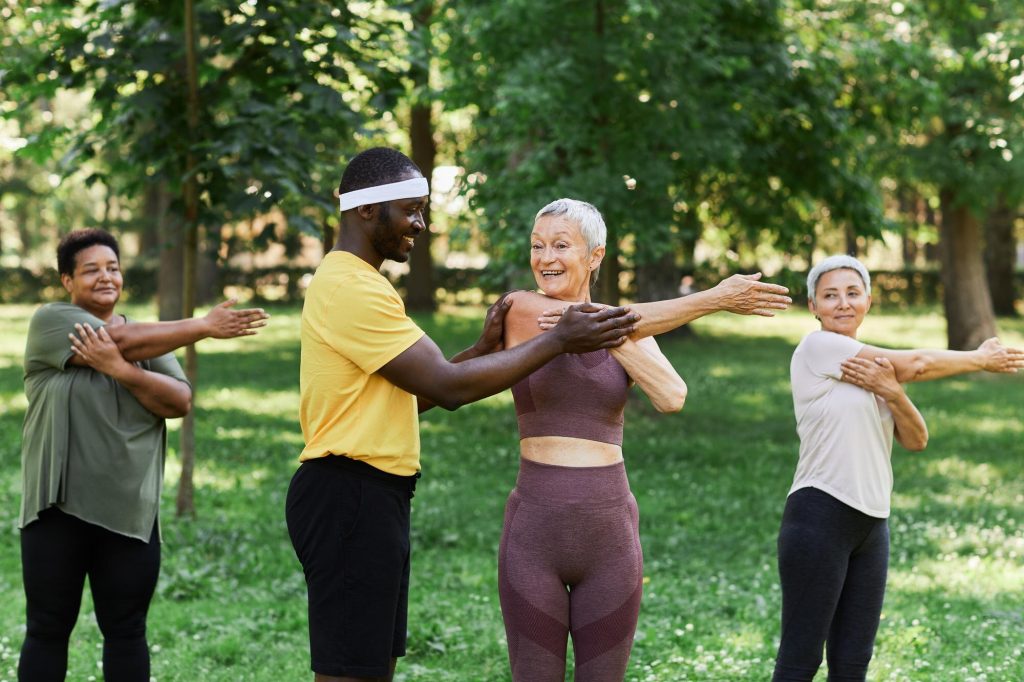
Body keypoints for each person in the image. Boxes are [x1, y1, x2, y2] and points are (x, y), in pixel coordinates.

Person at [284, 148, 642, 682]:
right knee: (349, 673)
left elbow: (412, 395)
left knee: (369, 667)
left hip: (372, 497)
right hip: (348, 496)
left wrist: (479, 352)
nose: (420, 224)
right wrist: (560, 341)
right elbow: (446, 390)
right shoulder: (351, 287)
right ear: (366, 211)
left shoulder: (362, 283)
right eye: (410, 209)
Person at [498, 198, 793, 682]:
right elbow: (576, 325)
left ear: (595, 255)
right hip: (535, 530)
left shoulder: (629, 324)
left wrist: (616, 333)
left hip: (609, 533)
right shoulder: (522, 308)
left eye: (560, 245)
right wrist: (714, 299)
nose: (545, 257)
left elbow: (672, 395)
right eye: (537, 245)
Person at [18, 228, 269, 682]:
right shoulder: (51, 321)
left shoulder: (148, 336)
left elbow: (179, 401)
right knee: (47, 629)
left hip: (128, 511)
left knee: (127, 631)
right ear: (67, 281)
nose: (105, 277)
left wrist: (119, 371)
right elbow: (123, 345)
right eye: (91, 269)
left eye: (112, 267)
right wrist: (204, 327)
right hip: (55, 508)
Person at [772, 254, 1024, 682]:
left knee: (853, 664)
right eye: (830, 295)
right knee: (800, 661)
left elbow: (917, 439)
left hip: (873, 526)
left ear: (868, 301)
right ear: (813, 306)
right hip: (819, 517)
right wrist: (978, 359)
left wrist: (894, 392)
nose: (843, 303)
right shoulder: (819, 348)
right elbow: (917, 365)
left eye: (853, 293)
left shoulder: (875, 371)